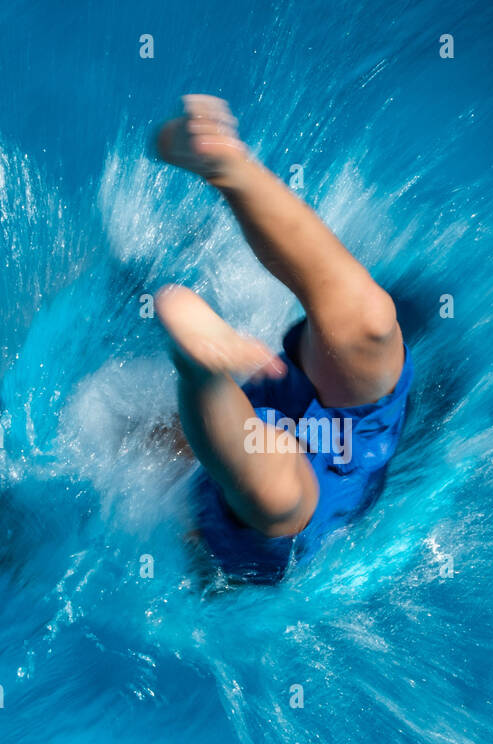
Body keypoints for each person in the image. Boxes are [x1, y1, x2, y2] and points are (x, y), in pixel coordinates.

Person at [154, 94, 413, 582]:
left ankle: (200, 366)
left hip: (282, 473)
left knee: (277, 496)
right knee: (370, 322)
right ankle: (225, 166)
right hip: (312, 442)